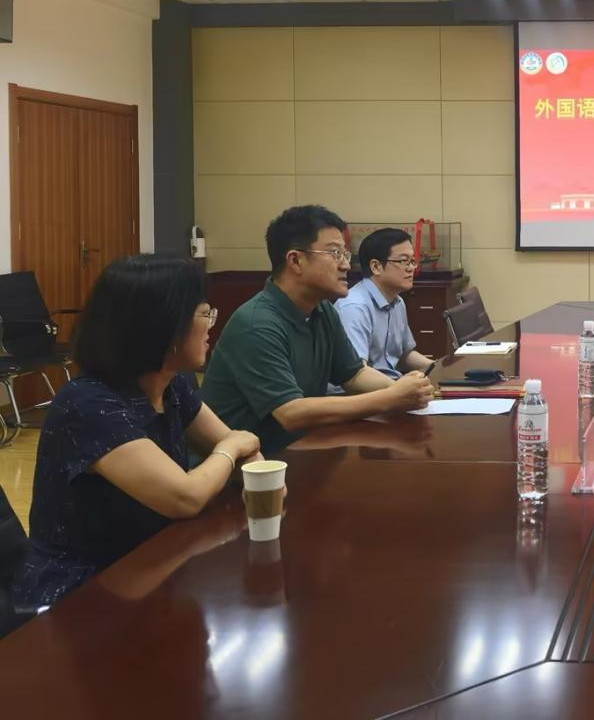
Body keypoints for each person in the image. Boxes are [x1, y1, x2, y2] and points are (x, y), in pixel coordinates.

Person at [11, 255, 262, 610]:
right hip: (80, 592)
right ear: (162, 326)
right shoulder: (88, 404)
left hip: (151, 564)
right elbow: (185, 497)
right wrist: (232, 448)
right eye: (204, 313)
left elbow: (246, 454)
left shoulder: (172, 384)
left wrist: (246, 458)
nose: (211, 326)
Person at [202, 205, 435, 454]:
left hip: (299, 448)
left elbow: (354, 374)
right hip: (246, 464)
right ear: (295, 260)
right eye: (334, 253)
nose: (346, 265)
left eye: (345, 254)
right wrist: (391, 397)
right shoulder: (256, 324)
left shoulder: (322, 310)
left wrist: (403, 389)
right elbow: (290, 413)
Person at [335, 227, 432, 381]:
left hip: (391, 386)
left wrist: (438, 367)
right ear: (376, 267)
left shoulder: (397, 302)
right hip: (361, 391)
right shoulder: (354, 307)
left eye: (412, 261)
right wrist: (401, 389)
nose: (411, 268)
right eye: (403, 261)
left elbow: (404, 355)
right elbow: (357, 374)